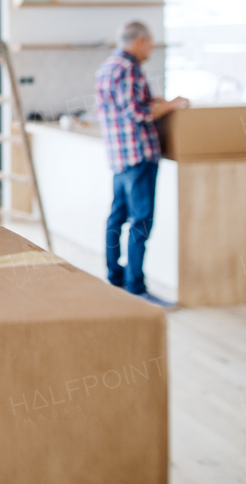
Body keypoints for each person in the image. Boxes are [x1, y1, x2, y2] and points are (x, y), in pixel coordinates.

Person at [94, 21, 188, 304]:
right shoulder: (130, 68)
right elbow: (138, 112)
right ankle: (136, 286)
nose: (151, 48)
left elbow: (127, 105)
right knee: (141, 221)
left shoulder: (107, 67)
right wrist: (173, 104)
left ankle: (114, 277)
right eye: (149, 42)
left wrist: (155, 100)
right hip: (139, 155)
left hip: (119, 156)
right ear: (138, 41)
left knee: (117, 217)